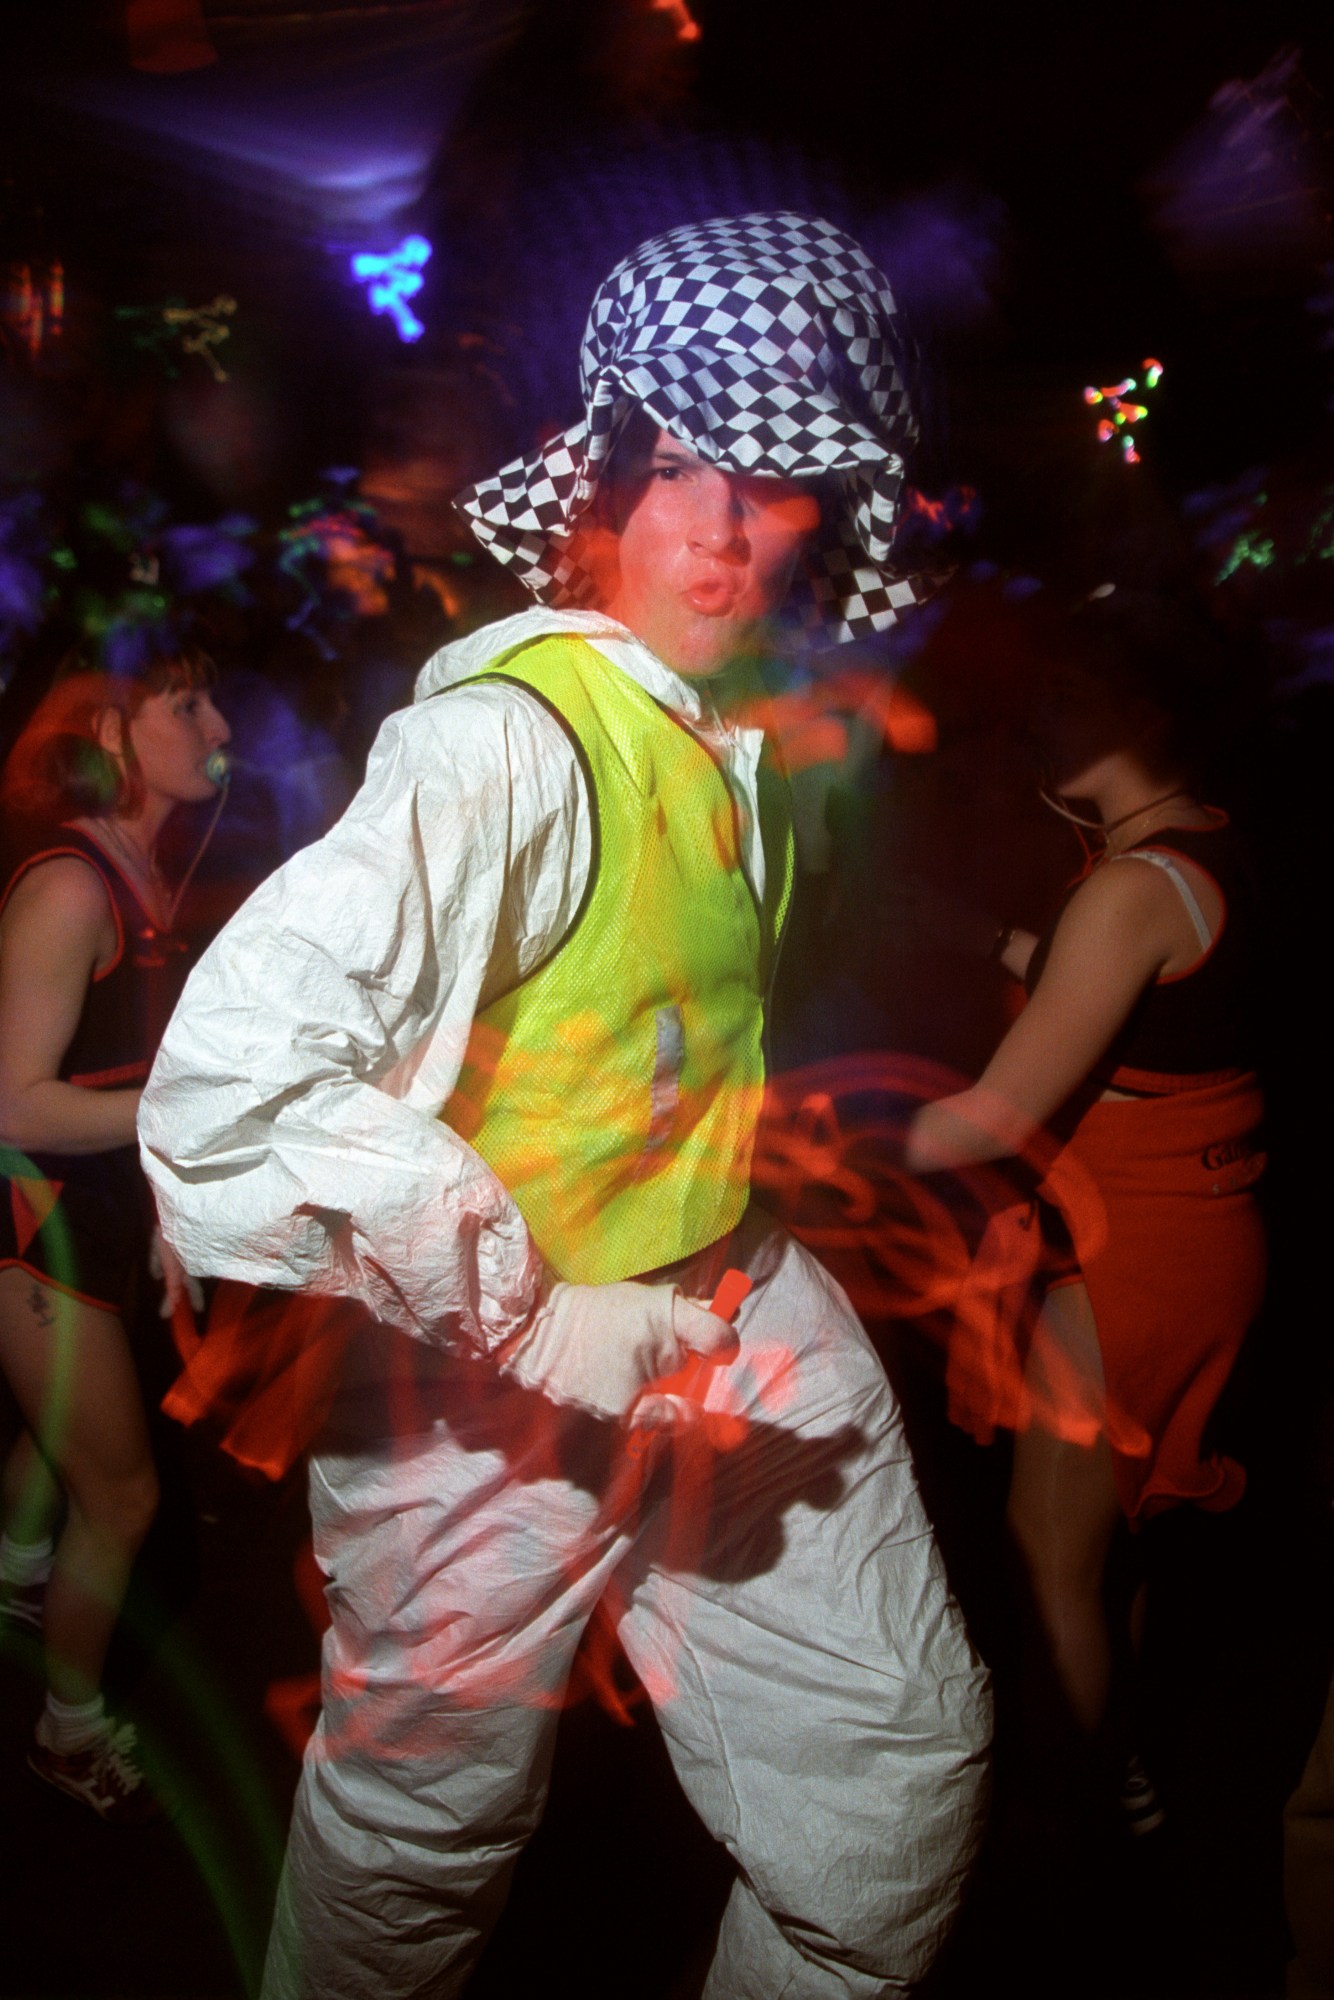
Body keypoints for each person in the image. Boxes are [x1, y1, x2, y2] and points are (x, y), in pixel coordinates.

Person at [141, 212, 990, 1999]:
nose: (722, 525)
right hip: (471, 1393)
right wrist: (527, 1315)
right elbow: (228, 1087)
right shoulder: (504, 741)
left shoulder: (730, 732)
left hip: (720, 1299)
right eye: (681, 463)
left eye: (774, 478)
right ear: (604, 472)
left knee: (891, 1784)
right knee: (416, 1845)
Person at [902, 586, 1264, 1823]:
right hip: (1191, 1233)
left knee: (1045, 1551)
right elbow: (1134, 1000)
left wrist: (801, 1126)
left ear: (1142, 711)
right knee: (1113, 1532)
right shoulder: (1196, 845)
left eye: (1069, 691)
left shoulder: (1126, 888)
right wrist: (983, 935)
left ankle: (1087, 1799)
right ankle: (1134, 1758)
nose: (1037, 711)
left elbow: (984, 1121)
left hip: (1133, 1254)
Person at [0, 640, 230, 1820]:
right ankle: (65, 1728)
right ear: (108, 737)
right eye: (183, 703)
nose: (216, 721)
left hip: (94, 1215)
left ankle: (17, 1578)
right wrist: (180, 1109)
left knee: (65, 1432)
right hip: (34, 1229)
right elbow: (12, 1098)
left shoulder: (145, 872)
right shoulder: (73, 885)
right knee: (125, 1496)